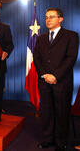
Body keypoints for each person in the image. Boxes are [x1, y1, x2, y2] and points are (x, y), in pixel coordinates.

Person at [33, 8, 79, 150]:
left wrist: (55, 76)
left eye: (52, 17)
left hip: (62, 82)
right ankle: (47, 139)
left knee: (61, 112)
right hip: (44, 81)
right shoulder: (40, 38)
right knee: (46, 112)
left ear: (60, 19)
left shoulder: (71, 36)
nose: (48, 19)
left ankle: (61, 142)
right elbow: (37, 59)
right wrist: (44, 75)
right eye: (46, 17)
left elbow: (70, 58)